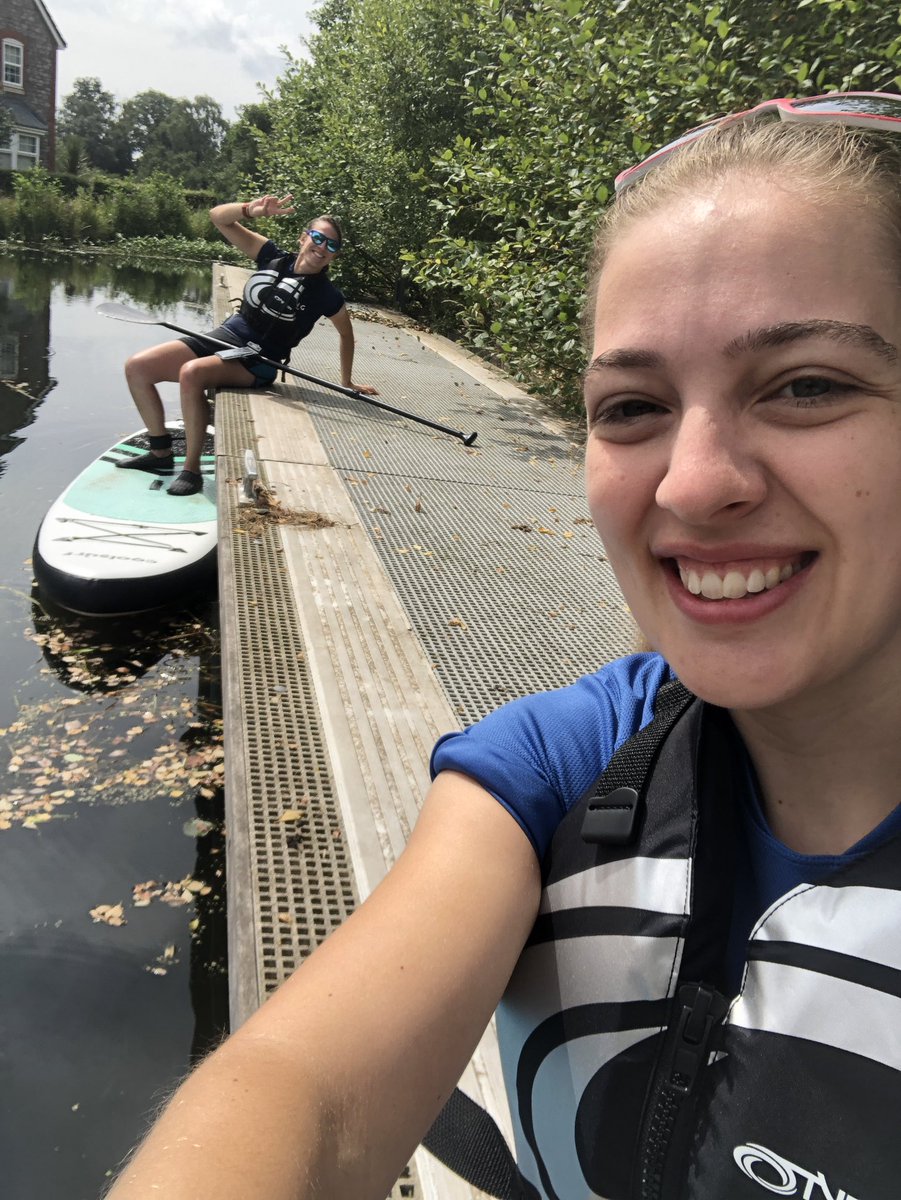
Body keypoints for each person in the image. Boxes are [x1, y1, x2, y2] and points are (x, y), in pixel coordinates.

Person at [107, 93, 901, 1199]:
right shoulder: (560, 766)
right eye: (630, 406)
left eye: (806, 386)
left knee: (192, 376)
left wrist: (351, 364)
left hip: (247, 363)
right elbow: (301, 1090)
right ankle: (172, 453)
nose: (691, 485)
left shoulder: (321, 291)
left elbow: (340, 331)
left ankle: (183, 457)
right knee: (163, 369)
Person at [118, 196, 378, 496]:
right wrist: (249, 211)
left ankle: (191, 470)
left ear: (335, 255)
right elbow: (217, 217)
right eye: (318, 238)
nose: (322, 247)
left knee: (192, 373)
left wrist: (347, 381)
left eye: (331, 245)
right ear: (303, 237)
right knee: (137, 367)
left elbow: (347, 335)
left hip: (258, 361)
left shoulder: (327, 295)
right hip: (225, 336)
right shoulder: (271, 256)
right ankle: (160, 453)